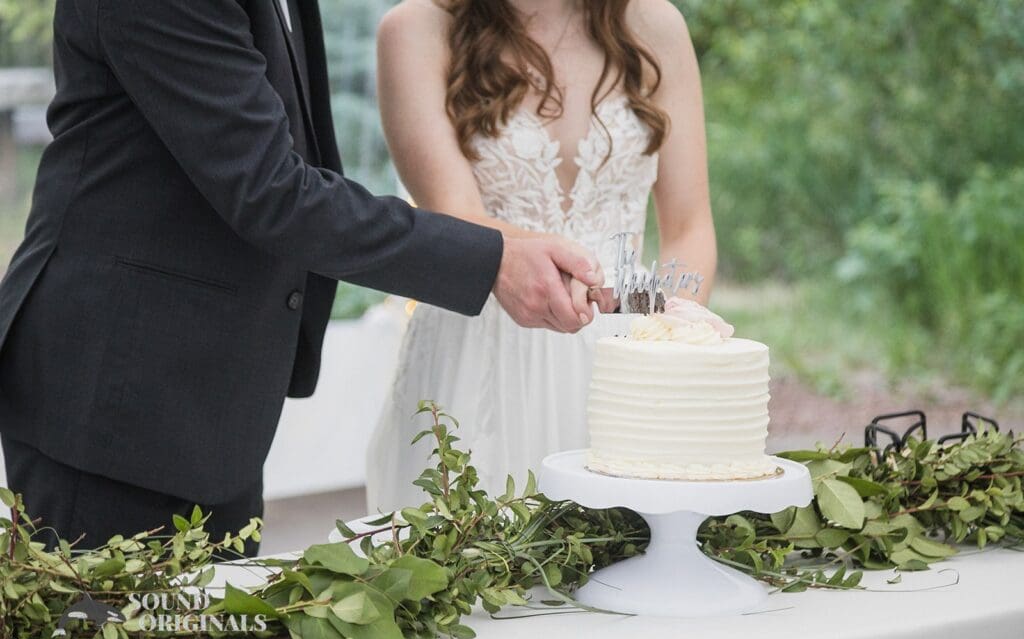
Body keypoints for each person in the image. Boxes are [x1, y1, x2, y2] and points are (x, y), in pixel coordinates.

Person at [0, 0, 603, 555]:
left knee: (212, 630)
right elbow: (271, 191)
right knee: (110, 635)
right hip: (115, 399)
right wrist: (492, 260)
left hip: (210, 399)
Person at [367, 0, 719, 511]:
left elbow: (689, 226)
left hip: (628, 352)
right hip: (481, 352)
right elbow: (456, 217)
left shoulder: (653, 24)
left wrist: (671, 340)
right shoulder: (417, 30)